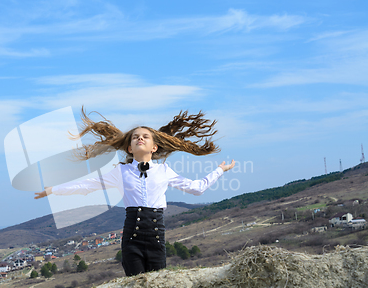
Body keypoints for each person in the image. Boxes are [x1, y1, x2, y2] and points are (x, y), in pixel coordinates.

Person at [34, 108, 235, 276]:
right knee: (135, 286)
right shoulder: (120, 172)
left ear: (154, 147)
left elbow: (197, 189)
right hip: (132, 238)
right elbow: (88, 185)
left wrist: (220, 170)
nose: (140, 138)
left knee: (157, 287)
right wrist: (53, 190)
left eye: (145, 136)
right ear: (129, 148)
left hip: (157, 236)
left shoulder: (164, 171)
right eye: (135, 137)